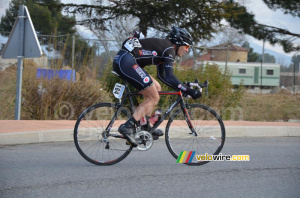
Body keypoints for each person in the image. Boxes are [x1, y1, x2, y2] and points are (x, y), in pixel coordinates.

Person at [112, 27, 201, 147]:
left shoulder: (166, 48)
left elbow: (163, 76)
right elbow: (170, 77)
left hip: (126, 61)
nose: (187, 50)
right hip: (126, 61)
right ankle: (127, 127)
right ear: (179, 42)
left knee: (157, 88)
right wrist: (188, 90)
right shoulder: (169, 50)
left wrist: (182, 87)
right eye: (186, 46)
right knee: (153, 98)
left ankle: (145, 127)